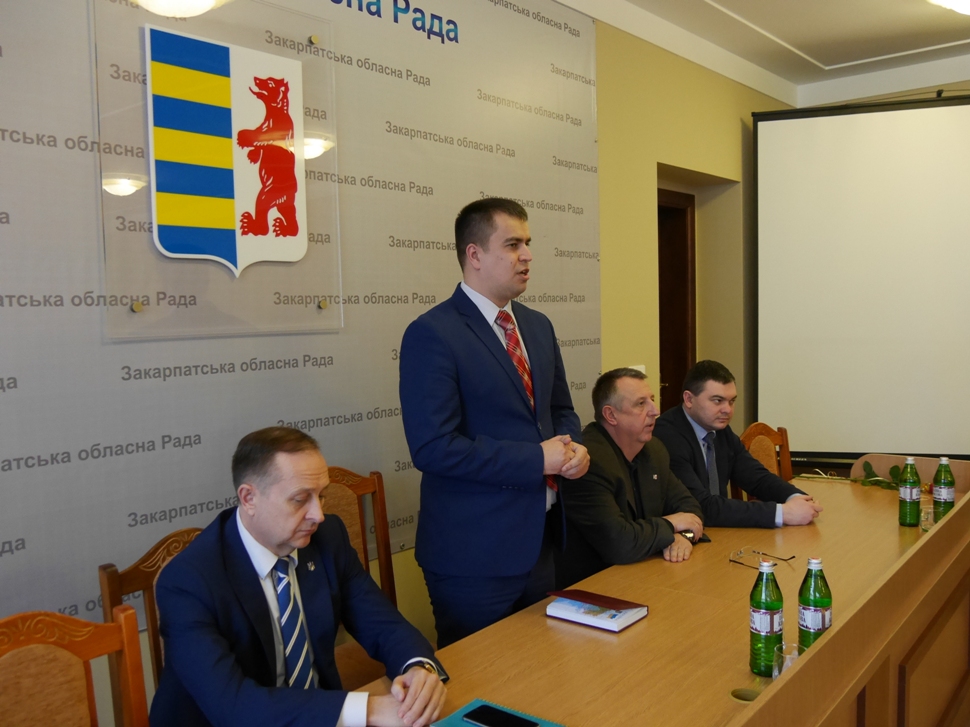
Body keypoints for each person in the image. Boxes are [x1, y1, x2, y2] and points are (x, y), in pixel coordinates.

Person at [151, 427, 447, 727]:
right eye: (300, 499)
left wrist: (417, 668)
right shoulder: (188, 581)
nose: (318, 515)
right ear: (249, 497)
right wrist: (369, 710)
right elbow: (233, 706)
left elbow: (383, 625)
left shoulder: (328, 538)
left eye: (321, 496)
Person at [399, 198, 589, 648]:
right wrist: (536, 459)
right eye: (512, 244)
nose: (527, 256)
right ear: (475, 254)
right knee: (482, 682)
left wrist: (574, 448)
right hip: (472, 557)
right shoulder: (433, 333)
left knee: (541, 670)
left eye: (528, 243)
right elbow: (433, 447)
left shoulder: (537, 326)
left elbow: (560, 409)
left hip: (539, 542)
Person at [557, 368, 704, 588]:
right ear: (611, 415)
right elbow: (619, 543)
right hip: (593, 586)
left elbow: (690, 509)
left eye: (652, 400)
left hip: (644, 573)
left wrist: (684, 536)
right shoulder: (589, 463)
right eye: (641, 404)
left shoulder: (654, 450)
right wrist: (671, 524)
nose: (655, 411)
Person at [653, 360, 822, 529]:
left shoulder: (719, 430)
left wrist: (796, 497)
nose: (727, 409)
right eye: (718, 400)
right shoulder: (667, 437)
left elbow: (756, 477)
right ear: (689, 399)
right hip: (683, 536)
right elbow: (700, 506)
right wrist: (782, 513)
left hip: (719, 531)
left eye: (731, 401)